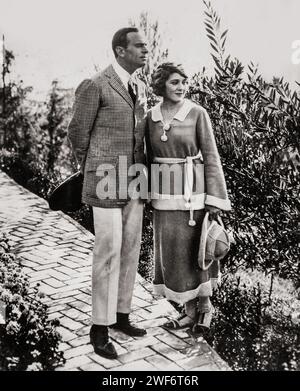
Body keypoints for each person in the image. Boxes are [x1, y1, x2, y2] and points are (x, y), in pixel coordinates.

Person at [68, 27, 148, 359]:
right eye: (138, 46)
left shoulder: (140, 87)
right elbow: (76, 132)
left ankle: (121, 315)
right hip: (104, 179)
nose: (145, 50)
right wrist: (94, 167)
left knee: (131, 246)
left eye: (145, 45)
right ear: (120, 50)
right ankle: (99, 328)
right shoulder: (95, 85)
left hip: (134, 178)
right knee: (108, 251)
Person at [145, 62, 231, 331]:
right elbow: (146, 158)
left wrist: (214, 200)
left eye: (183, 82)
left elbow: (212, 156)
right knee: (174, 255)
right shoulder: (150, 117)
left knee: (199, 252)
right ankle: (188, 311)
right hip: (163, 197)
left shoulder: (197, 113)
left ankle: (206, 309)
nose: (181, 87)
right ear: (161, 85)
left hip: (194, 197)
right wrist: (145, 193)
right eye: (174, 82)